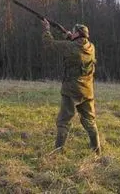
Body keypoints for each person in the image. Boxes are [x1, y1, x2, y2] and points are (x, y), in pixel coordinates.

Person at [42, 19, 101, 155]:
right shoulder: (91, 47)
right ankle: (97, 150)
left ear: (77, 34)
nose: (71, 33)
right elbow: (77, 44)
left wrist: (46, 29)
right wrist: (69, 35)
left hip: (71, 91)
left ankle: (58, 151)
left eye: (73, 32)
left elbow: (49, 44)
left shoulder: (71, 48)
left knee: (64, 121)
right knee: (90, 121)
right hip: (87, 91)